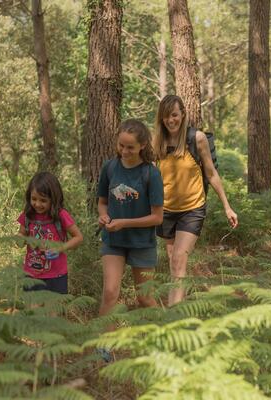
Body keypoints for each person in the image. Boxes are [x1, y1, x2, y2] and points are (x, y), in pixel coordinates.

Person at [153, 95, 238, 306]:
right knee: (174, 261)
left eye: (174, 115)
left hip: (192, 208)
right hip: (166, 210)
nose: (170, 120)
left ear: (182, 114)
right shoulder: (158, 142)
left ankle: (174, 313)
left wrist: (227, 207)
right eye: (166, 117)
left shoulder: (196, 138)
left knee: (179, 258)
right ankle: (180, 303)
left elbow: (211, 174)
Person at [97, 119, 164, 317]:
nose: (124, 151)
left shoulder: (151, 174)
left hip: (142, 242)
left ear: (142, 146)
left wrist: (125, 223)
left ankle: (165, 338)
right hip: (113, 241)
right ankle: (103, 347)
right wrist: (104, 217)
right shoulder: (109, 168)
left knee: (144, 298)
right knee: (110, 293)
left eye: (130, 147)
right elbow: (102, 203)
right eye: (121, 145)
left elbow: (157, 217)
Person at [18, 172, 83, 294]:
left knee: (54, 311)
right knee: (34, 311)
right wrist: (22, 240)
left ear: (53, 199)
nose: (37, 204)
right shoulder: (27, 215)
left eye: (43, 200)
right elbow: (21, 237)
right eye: (34, 199)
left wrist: (60, 248)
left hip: (56, 275)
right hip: (32, 274)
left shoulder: (61, 215)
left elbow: (78, 237)